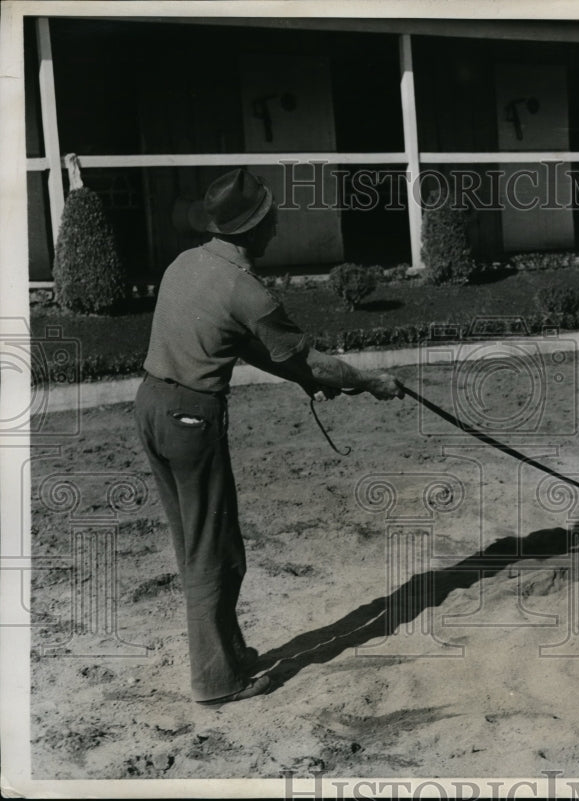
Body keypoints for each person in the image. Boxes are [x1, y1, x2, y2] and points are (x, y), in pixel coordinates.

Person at [134, 168, 403, 707]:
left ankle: (229, 654)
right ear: (253, 229)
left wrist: (308, 379)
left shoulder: (186, 263)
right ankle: (217, 680)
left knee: (196, 543)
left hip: (150, 408)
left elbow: (254, 349)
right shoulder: (246, 288)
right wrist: (372, 381)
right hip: (192, 417)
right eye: (271, 218)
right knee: (216, 550)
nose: (277, 225)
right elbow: (303, 356)